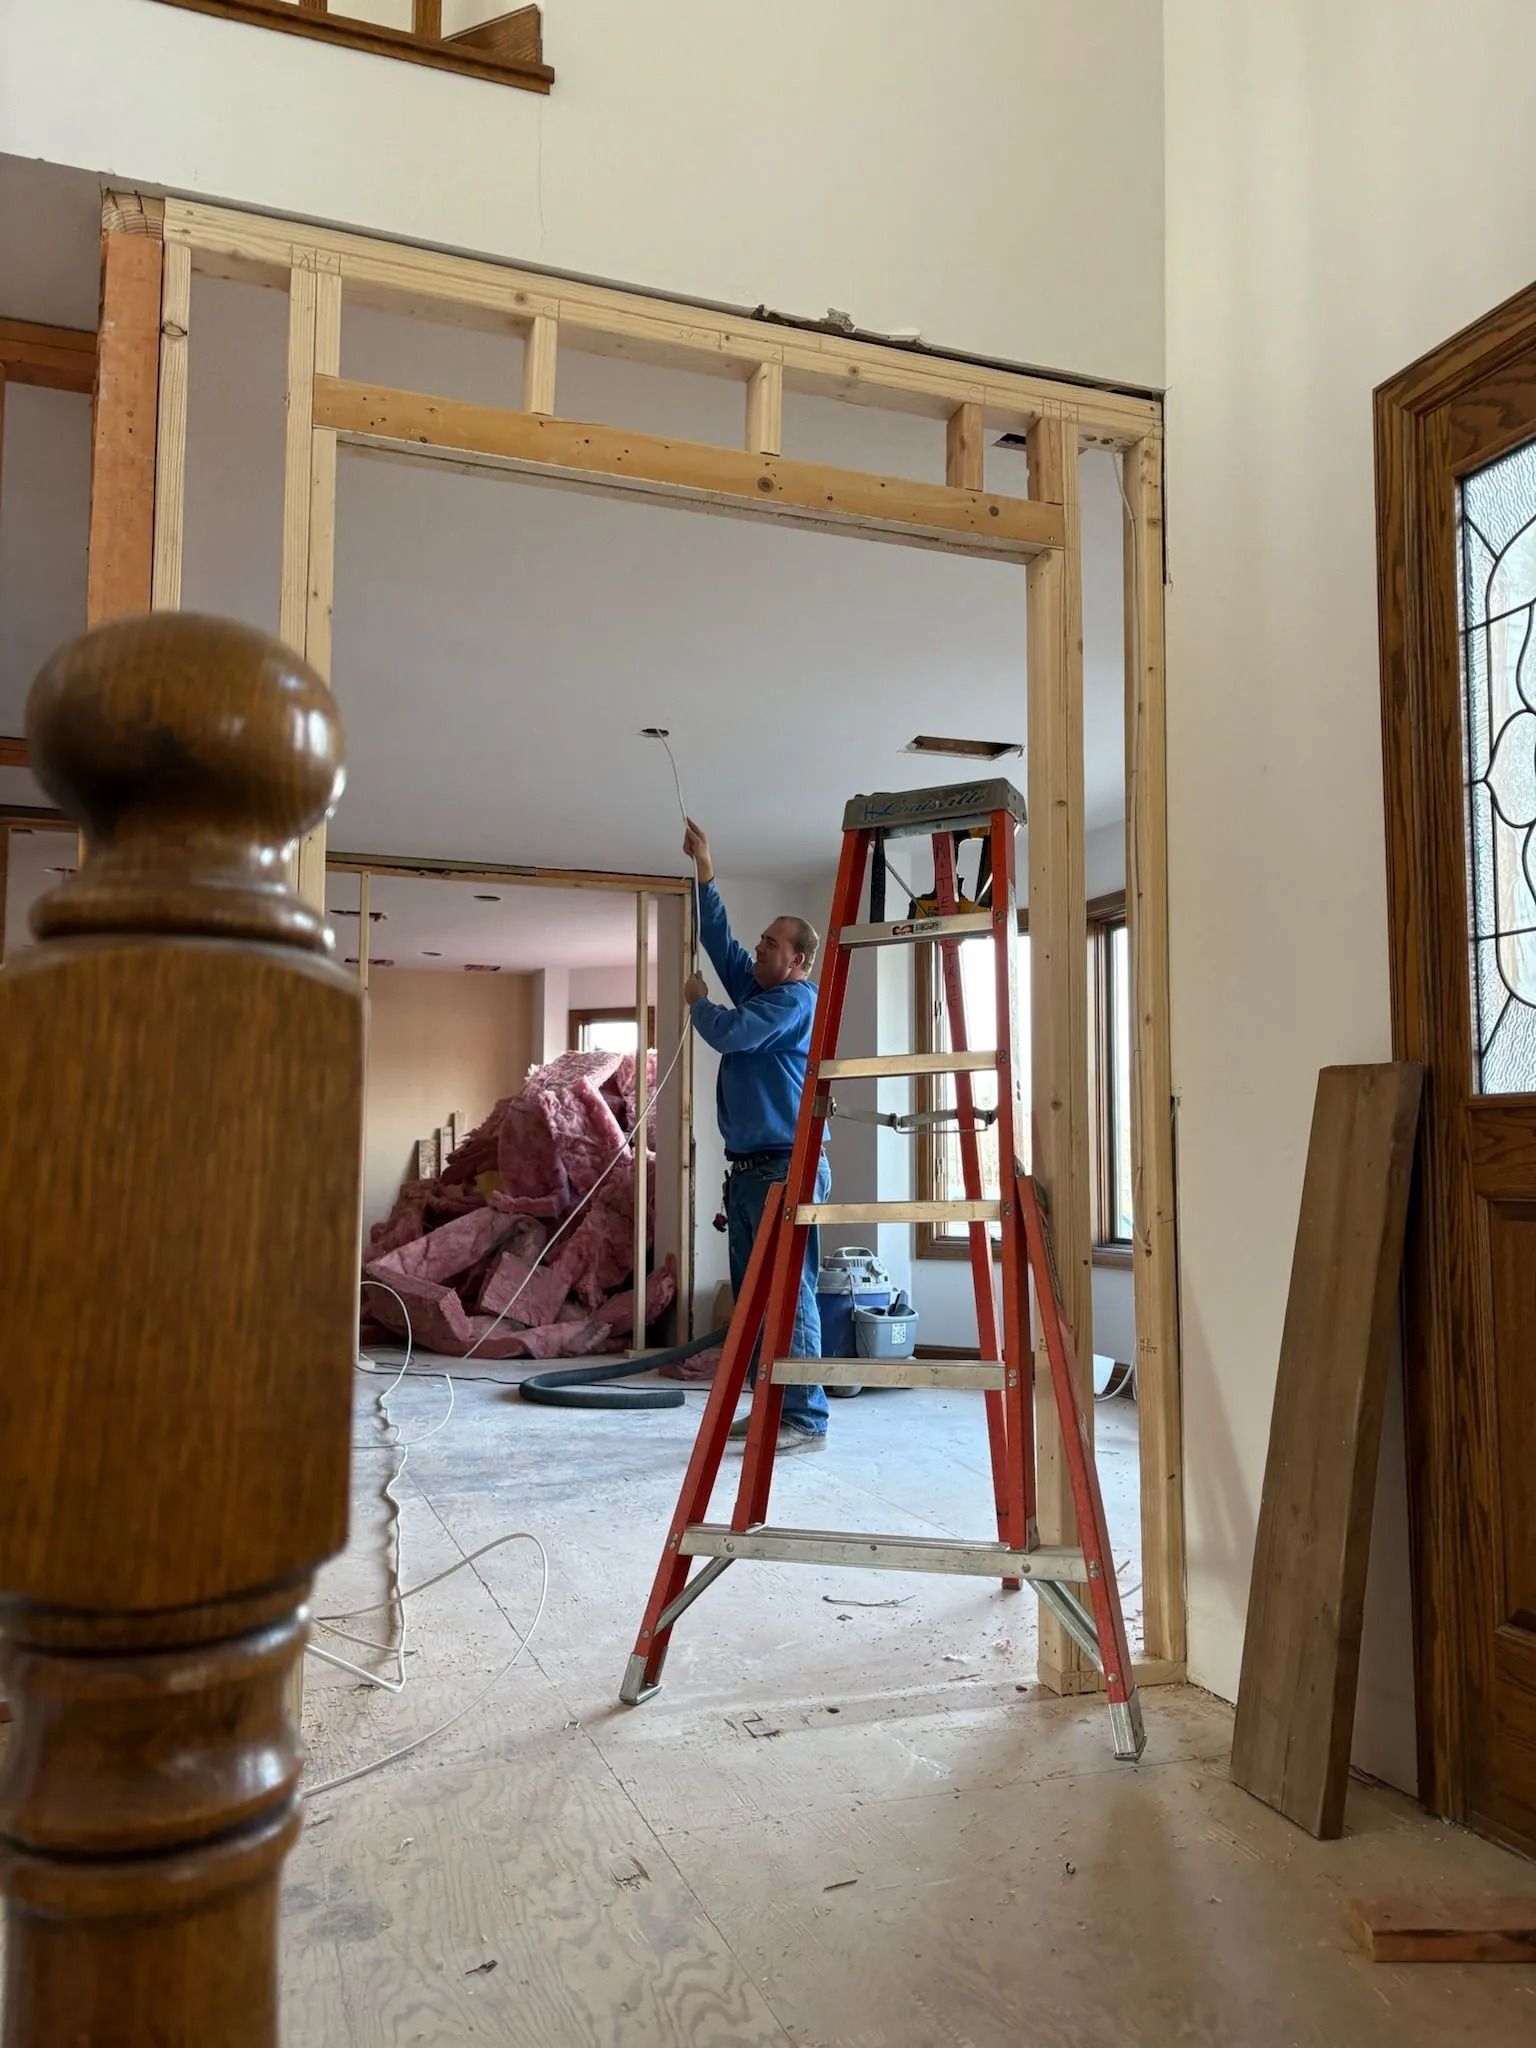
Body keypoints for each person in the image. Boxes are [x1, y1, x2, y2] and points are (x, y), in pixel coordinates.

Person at [682, 818, 830, 1450]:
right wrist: (706, 869)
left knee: (787, 1292)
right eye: (763, 940)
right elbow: (720, 943)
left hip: (784, 1168)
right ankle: (773, 1411)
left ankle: (804, 1417)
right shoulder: (762, 990)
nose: (759, 949)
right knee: (754, 1298)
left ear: (797, 959)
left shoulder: (791, 1003)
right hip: (750, 1171)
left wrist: (696, 1002)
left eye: (771, 944)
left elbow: (731, 1033)